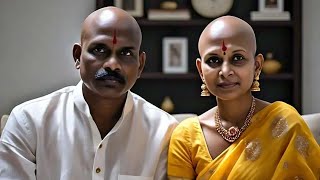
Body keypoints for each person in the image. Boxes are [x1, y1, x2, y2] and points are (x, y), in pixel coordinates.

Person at [0, 7, 177, 179]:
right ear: (78, 56)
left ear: (140, 65)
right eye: (99, 50)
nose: (112, 64)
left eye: (126, 53)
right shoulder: (29, 122)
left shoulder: (164, 132)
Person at [167, 16, 320, 179]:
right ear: (200, 70)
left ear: (257, 66)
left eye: (238, 58)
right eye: (214, 60)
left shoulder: (285, 122)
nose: (225, 71)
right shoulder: (186, 136)